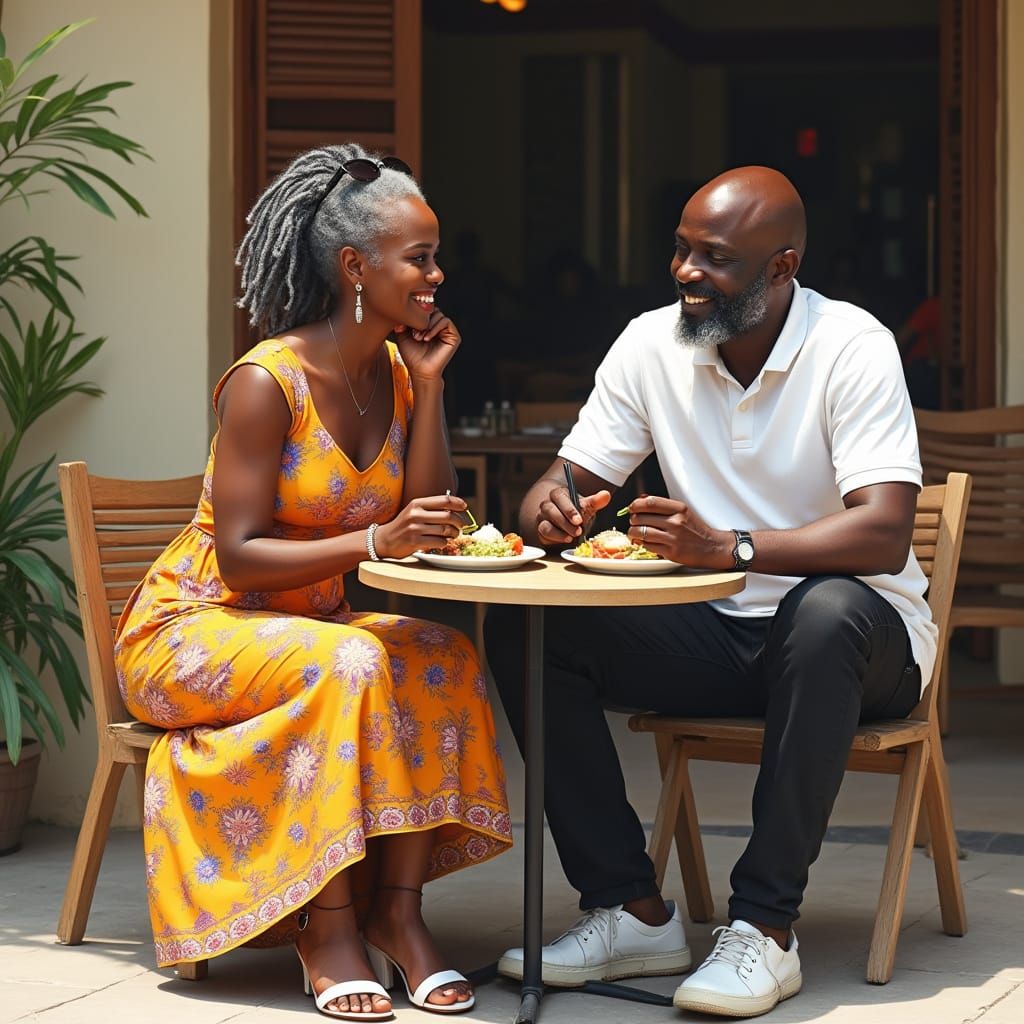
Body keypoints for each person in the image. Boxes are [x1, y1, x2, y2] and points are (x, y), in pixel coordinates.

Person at [485, 166, 935, 1018]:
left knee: (824, 609)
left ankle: (765, 928)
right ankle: (629, 908)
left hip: (859, 645)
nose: (686, 272)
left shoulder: (852, 344)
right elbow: (570, 473)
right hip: (718, 634)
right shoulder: (653, 342)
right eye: (682, 250)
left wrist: (727, 546)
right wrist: (549, 503)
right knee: (531, 624)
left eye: (715, 258)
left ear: (781, 267)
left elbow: (883, 530)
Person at [115, 143, 511, 1021]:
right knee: (355, 666)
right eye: (421, 258)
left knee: (441, 653)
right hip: (196, 626)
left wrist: (431, 387)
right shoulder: (267, 382)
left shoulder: (394, 376)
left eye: (434, 255)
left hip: (309, 629)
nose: (437, 275)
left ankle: (400, 917)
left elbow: (427, 516)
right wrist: (372, 537)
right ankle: (327, 927)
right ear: (354, 267)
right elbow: (241, 556)